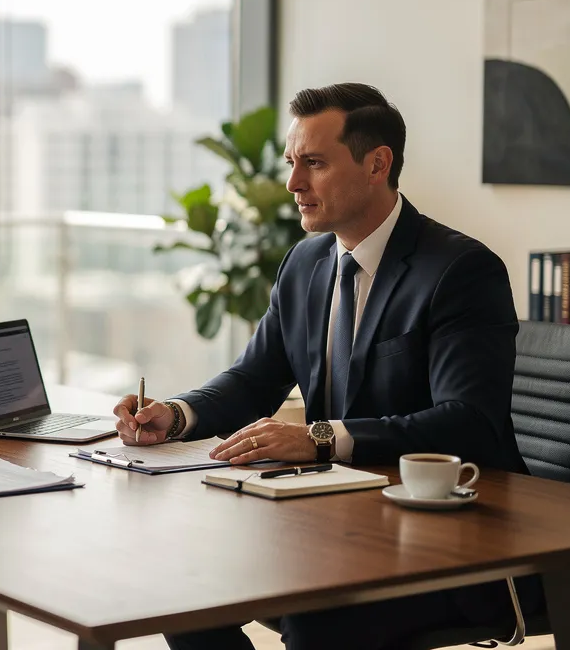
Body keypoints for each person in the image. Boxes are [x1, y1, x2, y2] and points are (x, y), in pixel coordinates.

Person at [113, 84, 540, 650]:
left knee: (318, 616)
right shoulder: (306, 262)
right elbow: (253, 379)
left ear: (377, 164)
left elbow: (467, 422)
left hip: (451, 543)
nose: (293, 184)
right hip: (335, 524)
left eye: (313, 163)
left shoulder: (460, 270)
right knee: (181, 579)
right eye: (293, 163)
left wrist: (318, 438)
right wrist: (176, 413)